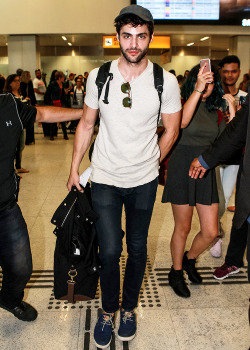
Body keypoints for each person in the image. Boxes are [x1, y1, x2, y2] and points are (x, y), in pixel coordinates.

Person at [67, 4, 181, 348]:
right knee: (109, 250)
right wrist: (74, 167)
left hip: (143, 182)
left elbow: (172, 129)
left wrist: (151, 161)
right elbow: (87, 124)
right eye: (127, 36)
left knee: (137, 247)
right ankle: (107, 311)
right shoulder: (99, 76)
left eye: (141, 36)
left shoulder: (165, 81)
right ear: (118, 36)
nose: (134, 43)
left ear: (150, 38)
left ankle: (128, 308)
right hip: (104, 177)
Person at [0, 92, 83, 322]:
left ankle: (9, 299)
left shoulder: (8, 105)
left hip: (5, 207)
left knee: (22, 268)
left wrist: (87, 113)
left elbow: (42, 114)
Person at [161, 63, 235, 298]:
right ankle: (176, 271)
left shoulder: (216, 112)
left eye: (211, 81)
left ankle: (189, 259)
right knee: (182, 227)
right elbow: (180, 122)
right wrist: (197, 91)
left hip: (204, 169)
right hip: (182, 167)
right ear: (194, 81)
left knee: (211, 231)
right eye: (203, 79)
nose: (208, 85)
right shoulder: (180, 105)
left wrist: (232, 109)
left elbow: (227, 141)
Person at [189, 89, 250, 282]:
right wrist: (206, 160)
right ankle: (233, 259)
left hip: (230, 161)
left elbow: (236, 129)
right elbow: (237, 130)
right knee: (242, 211)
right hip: (228, 163)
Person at [210, 55, 247, 257]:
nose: (230, 75)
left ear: (239, 72)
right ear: (221, 72)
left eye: (233, 71)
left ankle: (216, 232)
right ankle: (215, 233)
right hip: (214, 154)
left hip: (234, 156)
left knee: (223, 200)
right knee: (214, 199)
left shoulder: (245, 96)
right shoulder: (214, 95)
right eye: (226, 71)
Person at [5, 74, 30, 174]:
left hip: (21, 123)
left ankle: (18, 166)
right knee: (12, 147)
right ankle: (11, 168)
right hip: (12, 125)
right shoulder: (8, 95)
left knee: (21, 146)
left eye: (19, 80)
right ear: (10, 83)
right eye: (15, 81)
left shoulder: (19, 93)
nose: (18, 82)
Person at [45, 71, 69, 140]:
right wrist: (50, 102)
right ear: (59, 77)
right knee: (53, 119)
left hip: (62, 103)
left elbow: (64, 95)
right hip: (54, 104)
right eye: (63, 77)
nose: (64, 78)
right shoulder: (52, 84)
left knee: (63, 119)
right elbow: (47, 94)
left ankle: (65, 135)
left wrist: (66, 93)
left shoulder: (63, 84)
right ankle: (51, 135)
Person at [20, 71, 37, 145]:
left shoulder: (28, 83)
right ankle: (29, 139)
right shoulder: (24, 83)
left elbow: (31, 93)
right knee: (29, 122)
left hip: (28, 102)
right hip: (27, 102)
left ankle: (30, 139)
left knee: (30, 122)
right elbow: (30, 93)